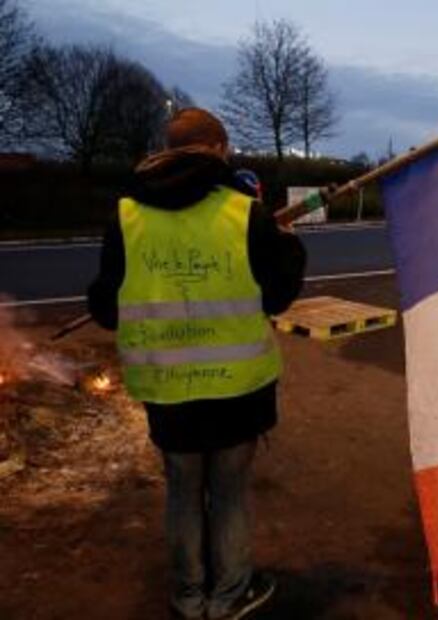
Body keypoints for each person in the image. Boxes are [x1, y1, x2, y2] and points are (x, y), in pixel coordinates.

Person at [87, 108, 305, 619]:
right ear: (218, 150)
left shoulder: (126, 217)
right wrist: (290, 245)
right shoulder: (244, 214)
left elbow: (105, 310)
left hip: (167, 390)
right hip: (238, 391)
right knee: (229, 493)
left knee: (183, 491)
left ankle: (188, 597)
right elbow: (278, 296)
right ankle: (229, 596)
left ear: (167, 149)